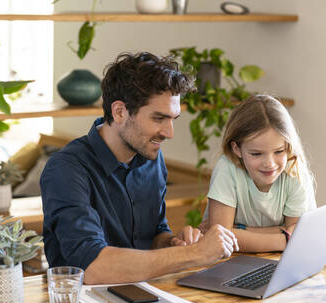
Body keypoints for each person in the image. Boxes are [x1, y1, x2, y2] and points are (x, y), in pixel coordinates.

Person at [40, 52, 238, 285]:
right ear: (120, 112)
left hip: (144, 293)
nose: (169, 132)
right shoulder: (66, 170)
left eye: (173, 119)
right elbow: (92, 268)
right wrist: (193, 254)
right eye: (158, 118)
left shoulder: (151, 157)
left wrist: (175, 243)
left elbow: (153, 233)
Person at [202, 94, 316, 252]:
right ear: (237, 149)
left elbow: (301, 233)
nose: (270, 163)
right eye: (256, 154)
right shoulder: (227, 168)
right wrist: (285, 239)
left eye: (279, 151)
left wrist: (241, 229)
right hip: (230, 264)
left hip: (282, 263)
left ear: (288, 146)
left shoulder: (294, 169)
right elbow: (221, 240)